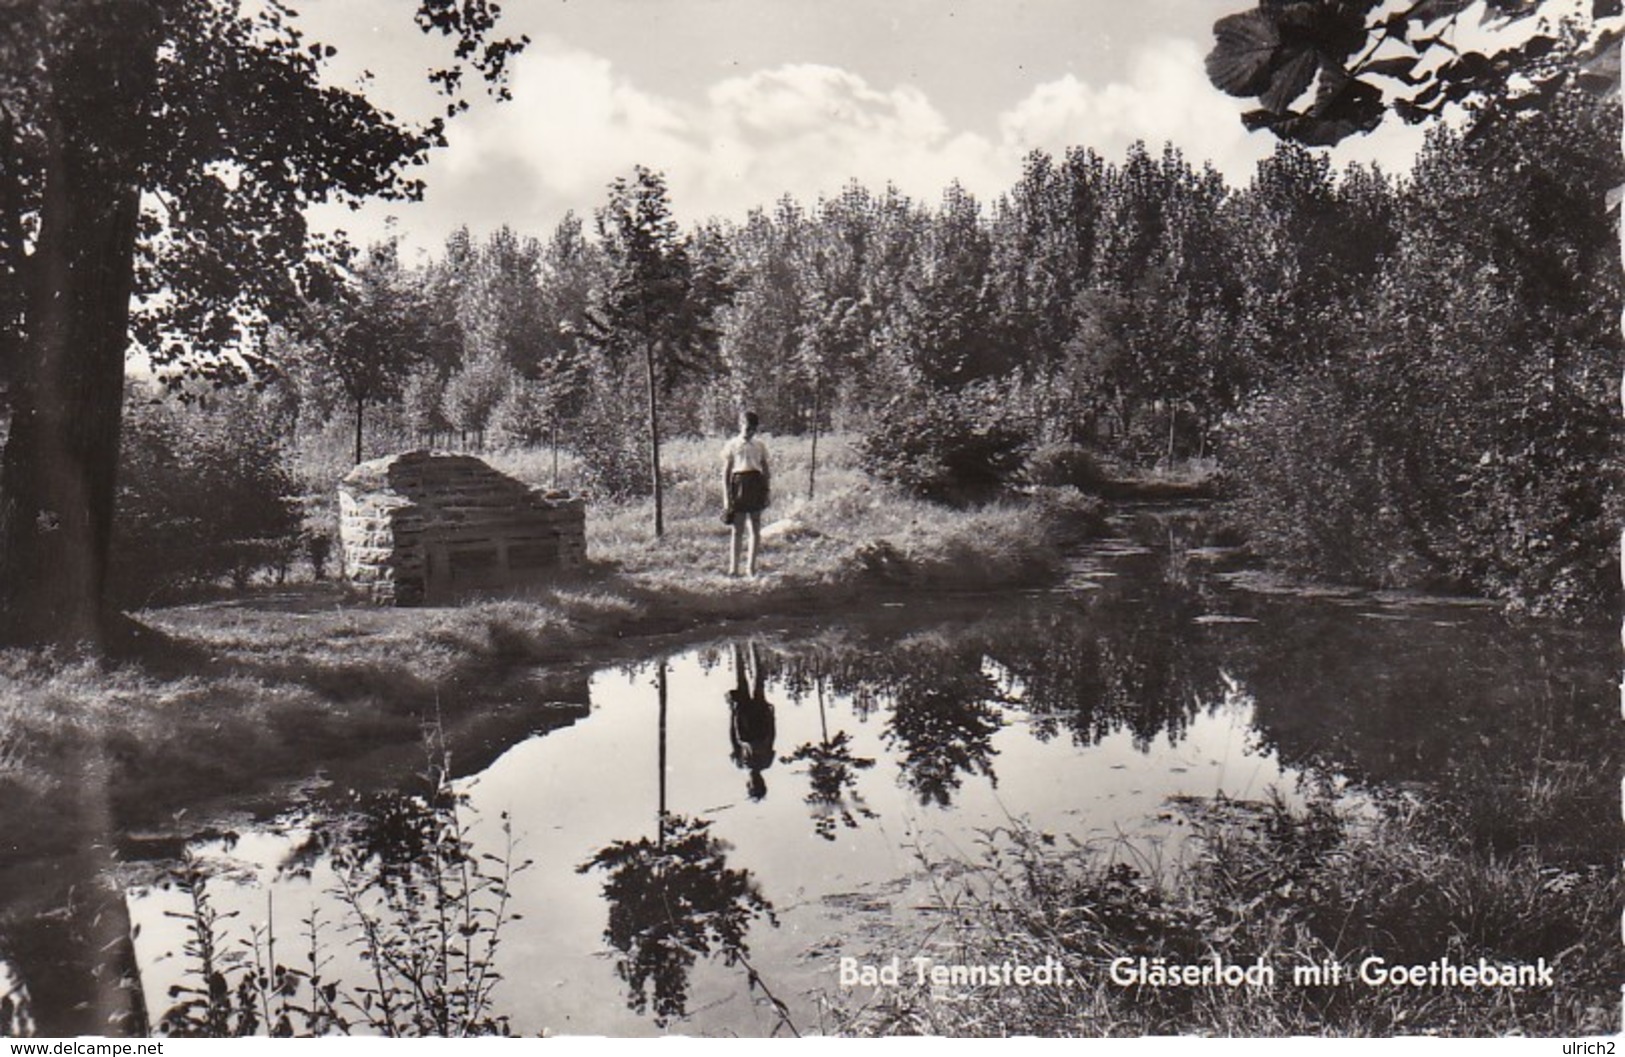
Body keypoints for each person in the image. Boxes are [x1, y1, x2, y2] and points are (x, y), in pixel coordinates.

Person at [720, 410, 770, 577]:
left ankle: (751, 568)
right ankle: (733, 569)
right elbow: (726, 473)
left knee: (755, 527)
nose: (749, 432)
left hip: (755, 484)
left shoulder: (760, 445)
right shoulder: (732, 445)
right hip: (738, 484)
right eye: (747, 428)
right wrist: (727, 498)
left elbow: (765, 469)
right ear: (740, 425)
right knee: (737, 528)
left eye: (753, 429)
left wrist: (766, 490)